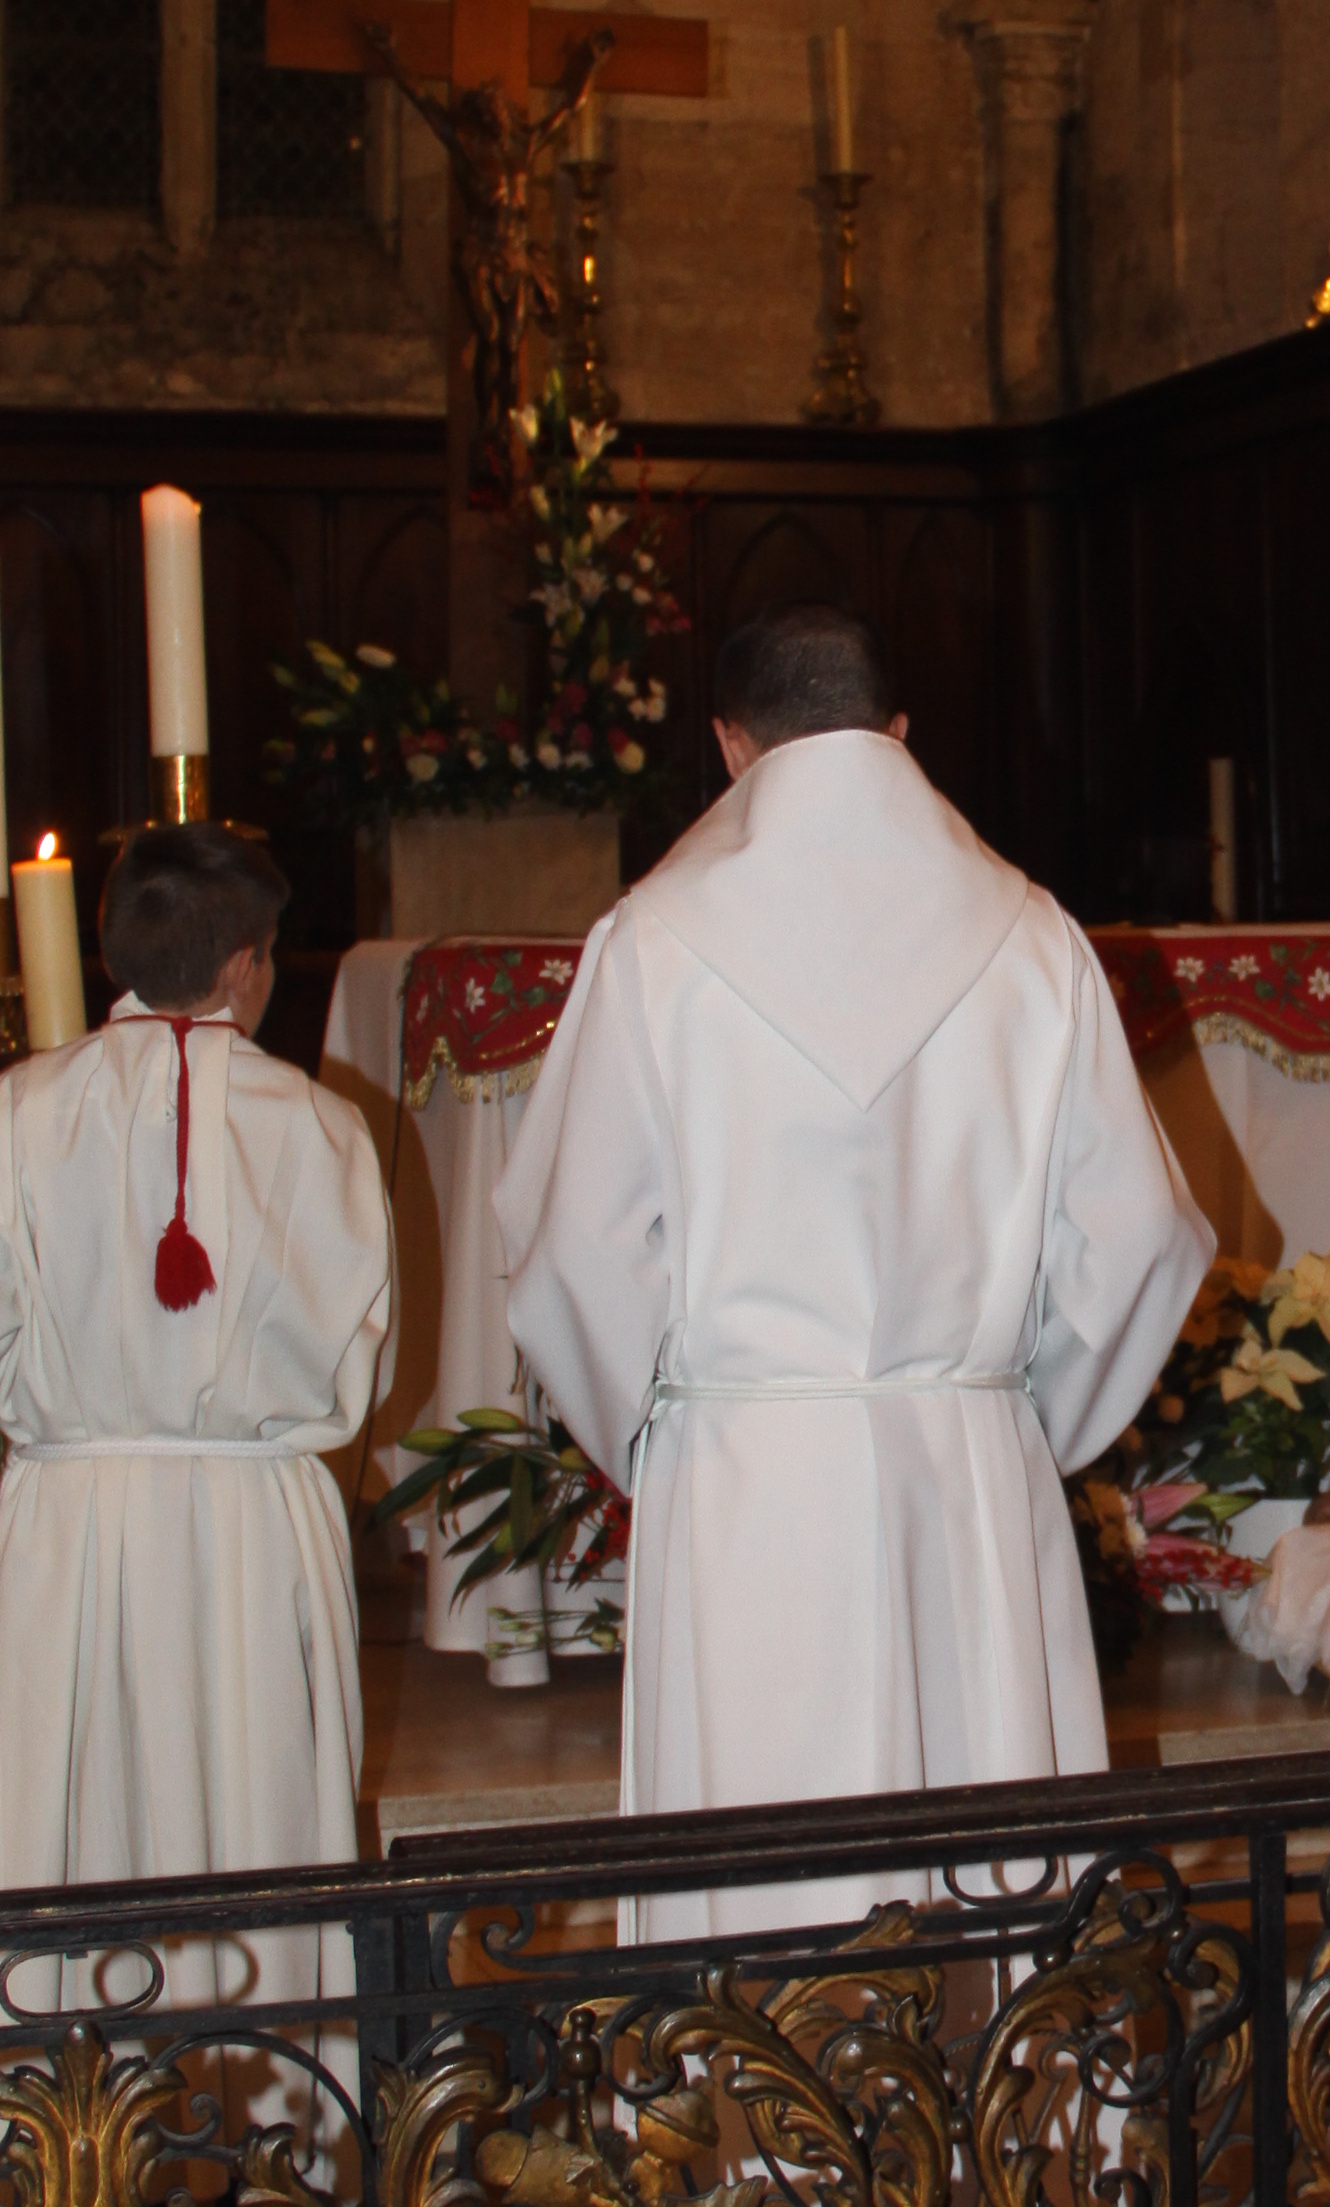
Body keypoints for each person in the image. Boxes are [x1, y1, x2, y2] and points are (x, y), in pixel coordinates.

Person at [495, 598, 1210, 1923]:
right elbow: (1143, 1239)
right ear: (898, 732)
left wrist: (657, 1432)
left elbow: (575, 1258)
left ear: (728, 745)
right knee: (985, 1879)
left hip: (743, 1477)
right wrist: (1014, 1418)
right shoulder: (1033, 937)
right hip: (970, 1473)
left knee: (765, 1889)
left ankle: (765, 2068)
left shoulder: (653, 944)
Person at [0, 822, 390, 2044]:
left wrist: (56, 1390)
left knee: (85, 1815)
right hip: (255, 1517)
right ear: (244, 966)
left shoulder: (15, 1112)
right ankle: (280, 2108)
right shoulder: (321, 1126)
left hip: (75, 1522)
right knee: (263, 1812)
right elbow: (360, 1357)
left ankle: (86, 2106)